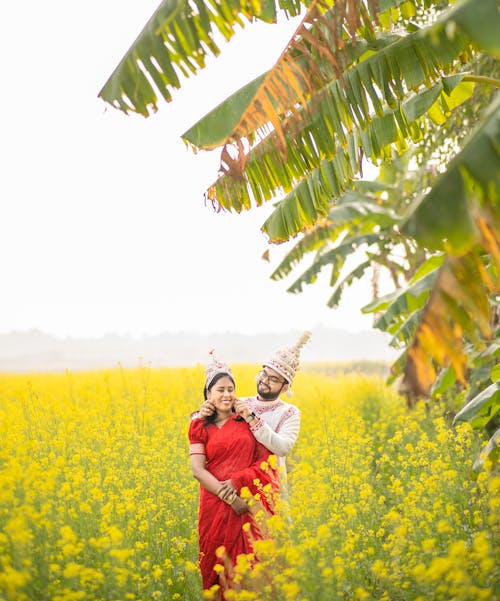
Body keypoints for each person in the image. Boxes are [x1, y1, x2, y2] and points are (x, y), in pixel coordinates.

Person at [189, 351, 279, 597]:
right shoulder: (198, 424)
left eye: (231, 389)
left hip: (248, 502)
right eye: (220, 389)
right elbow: (198, 470)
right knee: (216, 568)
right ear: (209, 393)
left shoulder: (248, 421)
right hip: (214, 502)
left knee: (251, 567)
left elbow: (265, 462)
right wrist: (230, 498)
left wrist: (238, 482)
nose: (227, 394)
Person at [197, 332, 312, 481]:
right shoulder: (239, 403)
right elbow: (205, 428)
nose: (265, 380)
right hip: (233, 485)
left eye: (273, 379)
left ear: (285, 388)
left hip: (268, 487)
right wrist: (204, 413)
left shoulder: (290, 413)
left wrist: (252, 419)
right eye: (264, 374)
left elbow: (282, 448)